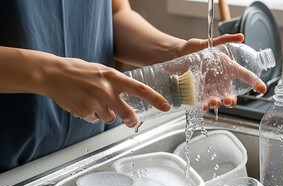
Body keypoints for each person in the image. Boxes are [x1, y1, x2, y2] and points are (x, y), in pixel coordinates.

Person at [0, 0, 267, 173]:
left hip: (96, 142)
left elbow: (115, 13)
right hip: (9, 160)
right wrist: (47, 73)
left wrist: (174, 51)